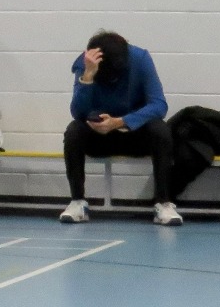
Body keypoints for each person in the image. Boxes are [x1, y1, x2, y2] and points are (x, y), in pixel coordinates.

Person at [60, 31, 179, 225]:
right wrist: (88, 75)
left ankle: (163, 203)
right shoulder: (85, 63)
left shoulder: (141, 59)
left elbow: (159, 105)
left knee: (161, 130)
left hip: (134, 136)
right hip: (99, 139)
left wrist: (121, 121)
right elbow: (77, 112)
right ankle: (78, 202)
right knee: (73, 131)